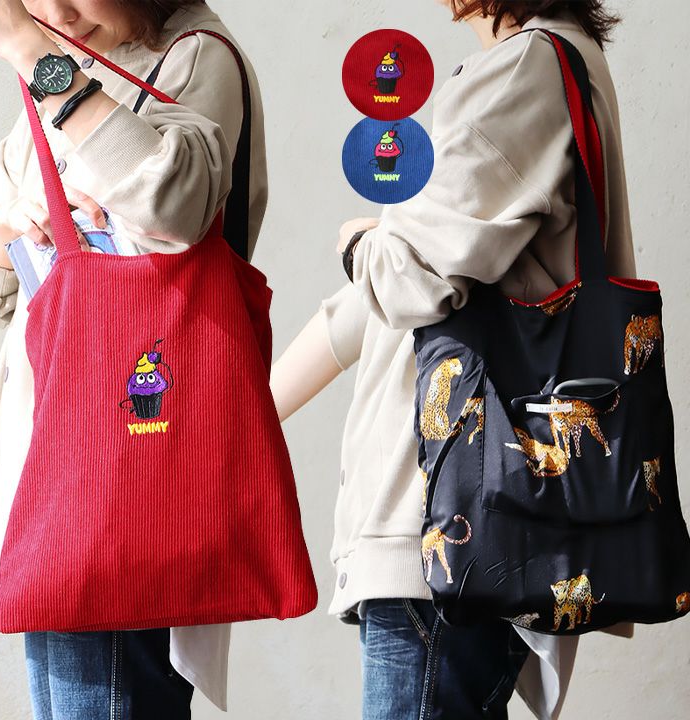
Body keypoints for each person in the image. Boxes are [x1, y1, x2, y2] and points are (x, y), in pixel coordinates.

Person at [270, 1, 635, 718]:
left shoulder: (526, 67)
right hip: (456, 525)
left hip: (443, 526)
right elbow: (378, 306)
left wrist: (360, 243)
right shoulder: (543, 64)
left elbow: (406, 279)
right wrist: (242, 415)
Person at [0, 1, 267, 716]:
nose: (57, 12)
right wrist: (8, 235)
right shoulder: (77, 63)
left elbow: (174, 202)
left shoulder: (192, 55)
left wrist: (31, 53)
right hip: (50, 477)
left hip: (122, 474)